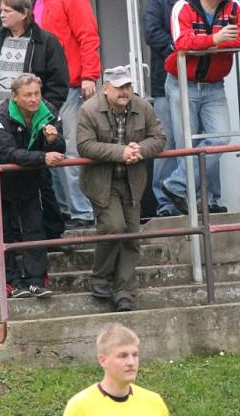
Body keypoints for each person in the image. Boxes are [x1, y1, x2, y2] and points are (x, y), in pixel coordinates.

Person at [0, 0, 69, 241]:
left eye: (7, 10)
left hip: (34, 122)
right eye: (1, 10)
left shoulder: (46, 42)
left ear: (24, 13)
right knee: (0, 177)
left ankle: (52, 232)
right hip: (0, 122)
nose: (1, 15)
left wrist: (46, 113)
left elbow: (59, 83)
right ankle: (6, 237)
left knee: (41, 175)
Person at [161, 0, 240, 215]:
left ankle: (178, 184)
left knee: (221, 139)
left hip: (214, 85)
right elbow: (182, 43)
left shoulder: (232, 5)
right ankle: (196, 202)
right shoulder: (184, 6)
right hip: (182, 83)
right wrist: (215, 40)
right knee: (185, 143)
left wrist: (211, 41)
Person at [77, 66, 165, 311]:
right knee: (114, 227)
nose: (124, 92)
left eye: (127, 86)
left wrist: (139, 150)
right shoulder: (89, 110)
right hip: (101, 181)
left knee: (132, 236)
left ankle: (124, 292)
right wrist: (121, 152)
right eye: (118, 87)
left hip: (132, 181)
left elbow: (158, 137)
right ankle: (100, 277)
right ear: (106, 89)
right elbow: (84, 146)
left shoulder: (143, 107)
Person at [25, 0, 101, 229]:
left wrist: (90, 75)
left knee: (71, 149)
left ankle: (82, 212)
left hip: (71, 87)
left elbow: (88, 37)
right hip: (43, 93)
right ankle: (67, 211)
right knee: (52, 151)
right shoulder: (34, 2)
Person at [143, 0, 221, 217]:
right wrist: (185, 47)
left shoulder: (206, 2)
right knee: (169, 142)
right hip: (166, 82)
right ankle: (166, 203)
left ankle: (206, 199)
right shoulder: (157, 1)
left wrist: (198, 44)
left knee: (209, 141)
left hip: (207, 81)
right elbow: (152, 33)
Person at [0, 73, 65, 298]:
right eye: (28, 95)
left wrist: (52, 140)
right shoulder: (0, 115)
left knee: (35, 229)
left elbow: (61, 147)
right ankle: (12, 283)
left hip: (30, 180)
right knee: (2, 232)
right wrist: (42, 158)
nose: (34, 99)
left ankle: (37, 280)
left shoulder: (48, 111)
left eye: (37, 93)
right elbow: (7, 153)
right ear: (15, 97)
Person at [63, 324, 169, 416]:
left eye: (135, 355)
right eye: (123, 356)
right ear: (103, 360)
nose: (131, 362)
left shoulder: (154, 402)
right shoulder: (80, 406)